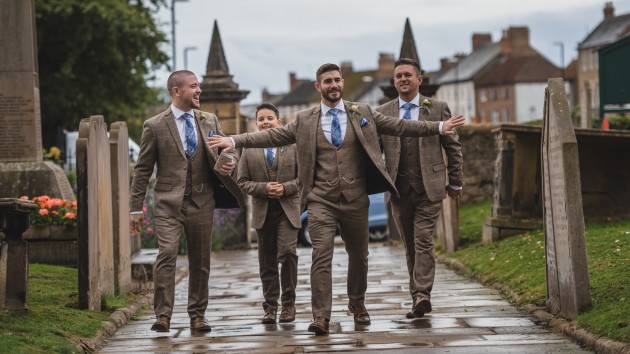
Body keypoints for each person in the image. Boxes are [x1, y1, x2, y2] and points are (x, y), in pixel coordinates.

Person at [208, 63, 465, 335]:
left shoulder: (362, 112)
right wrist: (235, 141)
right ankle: (321, 317)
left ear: (342, 83)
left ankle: (358, 305)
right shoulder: (305, 119)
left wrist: (439, 126)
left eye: (337, 80)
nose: (333, 85)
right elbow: (272, 134)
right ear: (319, 87)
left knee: (359, 256)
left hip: (355, 198)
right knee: (321, 255)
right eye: (327, 81)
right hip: (321, 199)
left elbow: (399, 126)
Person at [130, 70, 244, 334]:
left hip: (202, 200)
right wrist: (135, 208)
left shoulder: (209, 120)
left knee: (200, 260)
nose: (199, 91)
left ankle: (197, 316)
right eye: (194, 86)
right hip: (169, 202)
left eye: (199, 86)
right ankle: (163, 315)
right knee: (167, 254)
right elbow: (143, 169)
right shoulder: (155, 125)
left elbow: (229, 149)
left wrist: (230, 162)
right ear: (176, 91)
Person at [376, 58, 463, 319]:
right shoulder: (383, 112)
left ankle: (423, 295)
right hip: (398, 189)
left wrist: (455, 182)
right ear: (394, 82)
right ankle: (417, 296)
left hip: (430, 187)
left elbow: (453, 148)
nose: (403, 79)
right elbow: (374, 151)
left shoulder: (437, 108)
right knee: (410, 245)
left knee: (423, 239)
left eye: (408, 75)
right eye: (398, 76)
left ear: (419, 80)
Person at [237, 103, 300, 324]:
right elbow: (242, 181)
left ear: (279, 122)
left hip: (287, 210)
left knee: (287, 253)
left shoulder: (293, 146)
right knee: (267, 261)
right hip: (263, 211)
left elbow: (303, 178)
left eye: (270, 118)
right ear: (256, 124)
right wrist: (263, 188)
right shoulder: (249, 150)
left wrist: (286, 188)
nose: (265, 122)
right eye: (261, 119)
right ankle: (271, 307)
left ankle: (289, 305)